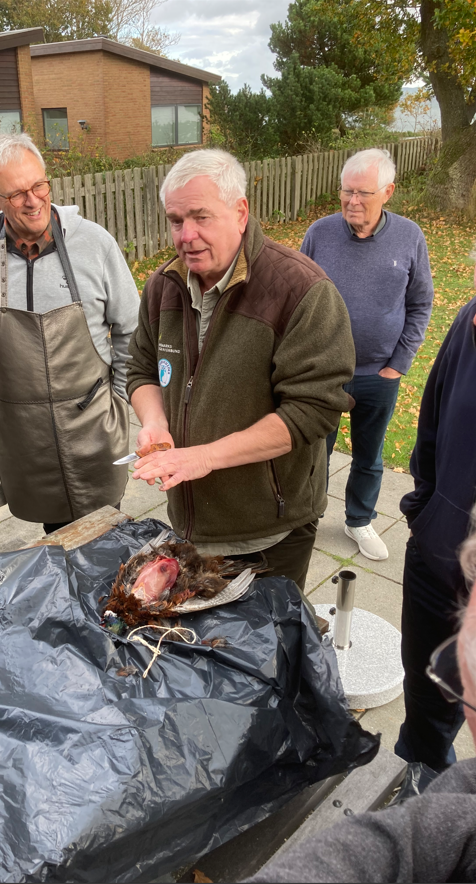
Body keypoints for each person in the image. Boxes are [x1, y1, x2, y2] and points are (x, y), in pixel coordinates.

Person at [126, 149, 355, 591]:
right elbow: (141, 368)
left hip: (270, 533)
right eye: (176, 220)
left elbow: (312, 412)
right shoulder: (162, 287)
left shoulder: (302, 291)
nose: (186, 235)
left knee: (270, 635)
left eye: (201, 217)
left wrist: (204, 457)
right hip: (188, 522)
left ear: (240, 212)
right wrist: (154, 422)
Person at [250, 524, 476, 883]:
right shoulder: (462, 794)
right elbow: (408, 840)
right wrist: (427, 515)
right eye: (461, 660)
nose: (462, 698)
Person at [0, 134, 139, 533]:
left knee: (109, 537)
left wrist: (120, 400)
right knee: (57, 544)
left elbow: (132, 328)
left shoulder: (95, 243)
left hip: (95, 429)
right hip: (24, 439)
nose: (33, 201)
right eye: (17, 193)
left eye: (39, 185)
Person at [301, 148, 433, 561]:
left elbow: (421, 303)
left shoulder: (409, 237)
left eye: (363, 193)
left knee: (369, 455)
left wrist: (398, 364)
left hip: (379, 374)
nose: (352, 201)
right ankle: (307, 516)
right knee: (313, 451)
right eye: (347, 191)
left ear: (388, 192)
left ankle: (359, 519)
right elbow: (296, 297)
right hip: (322, 372)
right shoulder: (320, 234)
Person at [393, 268, 476, 771]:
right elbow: (433, 418)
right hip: (436, 554)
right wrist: (425, 510)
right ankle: (418, 774)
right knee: (425, 692)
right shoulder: (469, 320)